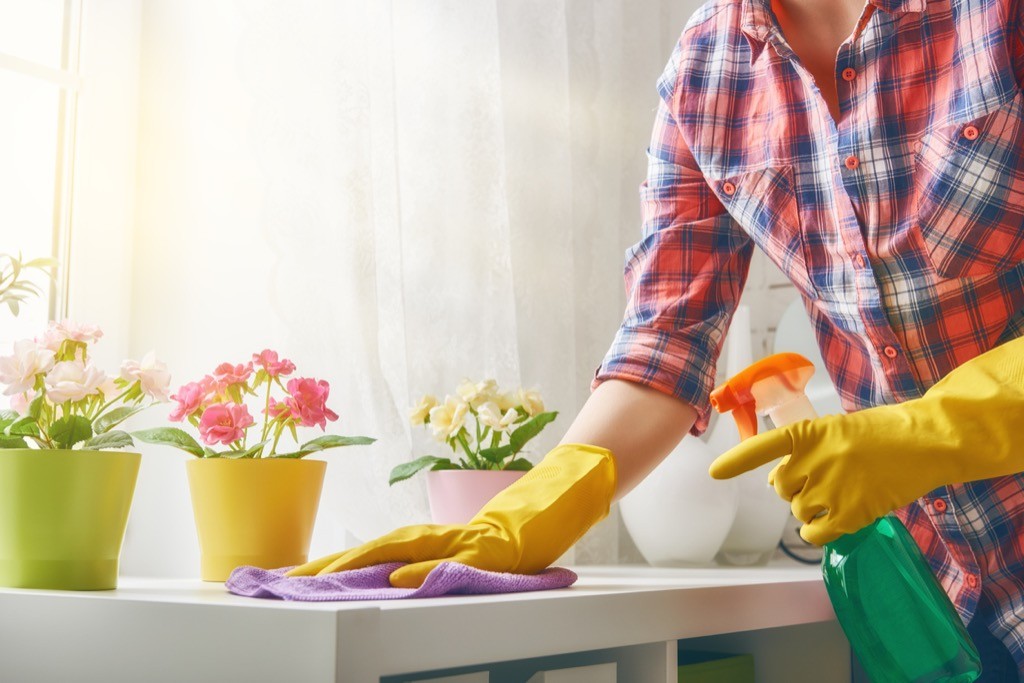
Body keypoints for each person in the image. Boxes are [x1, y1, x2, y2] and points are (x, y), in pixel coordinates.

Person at [290, 0, 1024, 676]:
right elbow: (666, 340)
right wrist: (527, 512)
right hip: (928, 608)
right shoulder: (707, 70)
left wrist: (930, 432)